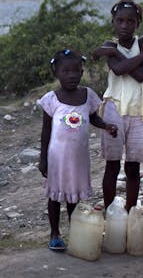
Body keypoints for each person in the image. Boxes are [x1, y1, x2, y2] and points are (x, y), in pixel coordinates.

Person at [37, 48, 118, 251]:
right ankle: (55, 234)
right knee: (56, 197)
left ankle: (75, 232)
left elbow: (93, 118)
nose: (71, 75)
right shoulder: (52, 99)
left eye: (76, 71)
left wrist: (106, 125)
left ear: (82, 72)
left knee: (74, 196)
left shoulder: (88, 95)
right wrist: (43, 159)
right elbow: (46, 132)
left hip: (79, 158)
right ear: (56, 73)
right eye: (66, 71)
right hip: (57, 157)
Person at [91, 0, 143, 213]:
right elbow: (119, 70)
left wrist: (124, 55)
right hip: (113, 110)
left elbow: (142, 75)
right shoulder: (110, 45)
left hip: (139, 112)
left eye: (130, 21)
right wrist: (117, 53)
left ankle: (131, 211)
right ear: (113, 22)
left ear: (137, 24)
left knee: (133, 168)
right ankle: (109, 210)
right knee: (112, 166)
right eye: (120, 21)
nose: (125, 25)